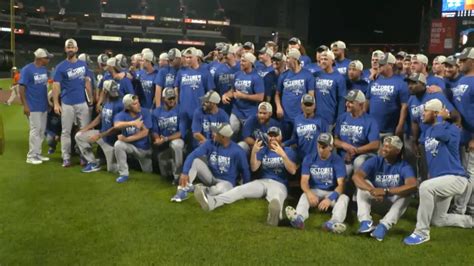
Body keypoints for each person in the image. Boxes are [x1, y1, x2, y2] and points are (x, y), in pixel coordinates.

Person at [194, 126, 298, 226]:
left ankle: (274, 218)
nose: (273, 138)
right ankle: (213, 202)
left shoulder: (288, 151)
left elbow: (293, 171)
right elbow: (254, 168)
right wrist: (254, 152)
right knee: (240, 190)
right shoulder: (264, 150)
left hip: (279, 184)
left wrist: (283, 155)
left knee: (276, 199)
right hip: (262, 181)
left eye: (275, 136)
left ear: (281, 137)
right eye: (270, 135)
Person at [404, 99, 473, 245]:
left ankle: (421, 232)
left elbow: (440, 135)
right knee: (438, 219)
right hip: (441, 179)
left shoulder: (451, 128)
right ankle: (470, 221)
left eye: (426, 111)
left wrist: (441, 118)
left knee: (425, 187)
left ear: (435, 113)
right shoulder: (428, 130)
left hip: (456, 178)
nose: (423, 113)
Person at [352, 136, 417, 241]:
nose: (384, 149)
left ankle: (383, 226)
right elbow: (356, 176)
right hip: (376, 199)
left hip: (391, 204)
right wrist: (372, 190)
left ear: (397, 151)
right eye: (384, 146)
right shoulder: (375, 160)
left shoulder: (404, 166)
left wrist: (386, 192)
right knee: (364, 184)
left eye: (388, 147)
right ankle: (365, 222)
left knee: (407, 194)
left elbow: (412, 185)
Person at [285, 133, 349, 233]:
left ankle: (333, 223)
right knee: (304, 195)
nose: (320, 149)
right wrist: (309, 193)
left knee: (344, 198)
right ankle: (299, 219)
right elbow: (304, 181)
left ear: (331, 147)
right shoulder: (309, 158)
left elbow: (341, 185)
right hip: (315, 191)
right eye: (319, 146)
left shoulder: (337, 160)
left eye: (323, 147)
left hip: (331, 192)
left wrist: (330, 199)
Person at [172, 123, 250, 202]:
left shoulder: (238, 151)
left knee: (219, 190)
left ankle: (197, 189)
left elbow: (245, 170)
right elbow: (193, 155)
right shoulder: (210, 143)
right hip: (211, 177)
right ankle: (182, 191)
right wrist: (185, 172)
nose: (213, 134)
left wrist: (245, 189)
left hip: (226, 182)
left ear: (223, 137)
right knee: (195, 161)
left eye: (216, 133)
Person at [52, 39, 92, 167]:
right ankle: (66, 157)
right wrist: (56, 104)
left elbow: (87, 82)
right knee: (66, 131)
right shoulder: (60, 67)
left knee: (84, 131)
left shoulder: (83, 65)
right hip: (67, 103)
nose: (70, 49)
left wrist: (90, 99)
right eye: (68, 47)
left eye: (72, 47)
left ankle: (83, 156)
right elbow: (56, 86)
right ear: (65, 50)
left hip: (82, 103)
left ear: (76, 49)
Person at [75, 80, 123, 173]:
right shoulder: (106, 102)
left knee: (112, 170)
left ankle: (118, 161)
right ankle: (92, 162)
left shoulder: (120, 105)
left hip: (111, 141)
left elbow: (117, 129)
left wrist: (100, 136)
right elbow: (100, 117)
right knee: (79, 136)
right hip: (102, 135)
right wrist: (86, 128)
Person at [450, 47, 474, 215]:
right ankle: (470, 207)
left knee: (469, 173)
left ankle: (460, 209)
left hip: (471, 136)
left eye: (463, 60)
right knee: (465, 172)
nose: (460, 63)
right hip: (462, 135)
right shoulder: (461, 80)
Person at [18, 48, 53, 164]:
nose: (48, 60)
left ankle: (37, 154)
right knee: (35, 130)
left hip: (43, 105)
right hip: (32, 106)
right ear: (40, 58)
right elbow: (21, 88)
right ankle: (31, 156)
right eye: (46, 58)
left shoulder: (43, 69)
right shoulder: (27, 70)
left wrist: (47, 103)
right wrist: (25, 105)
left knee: (42, 131)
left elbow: (44, 88)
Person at [335, 89, 380, 178]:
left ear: (361, 104)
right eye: (347, 101)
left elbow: (375, 144)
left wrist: (355, 151)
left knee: (358, 162)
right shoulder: (342, 118)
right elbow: (335, 140)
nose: (347, 104)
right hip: (344, 157)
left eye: (351, 102)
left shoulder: (370, 121)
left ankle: (360, 190)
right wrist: (344, 145)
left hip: (362, 155)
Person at [174, 47, 215, 137]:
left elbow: (210, 92)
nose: (188, 59)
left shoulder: (205, 73)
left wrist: (207, 108)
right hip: (183, 110)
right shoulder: (181, 72)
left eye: (190, 57)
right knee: (182, 136)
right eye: (186, 57)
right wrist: (177, 105)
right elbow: (176, 89)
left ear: (196, 57)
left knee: (197, 137)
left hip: (199, 110)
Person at [366, 53, 409, 138]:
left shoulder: (401, 82)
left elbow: (405, 106)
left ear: (391, 65)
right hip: (372, 128)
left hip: (390, 129)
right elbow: (367, 100)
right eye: (379, 64)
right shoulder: (374, 80)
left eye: (382, 64)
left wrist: (400, 125)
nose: (379, 66)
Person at [274, 48, 315, 137]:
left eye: (289, 58)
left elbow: (311, 96)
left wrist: (307, 112)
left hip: (300, 116)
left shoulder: (308, 75)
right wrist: (278, 107)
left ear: (296, 59)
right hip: (285, 116)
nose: (286, 61)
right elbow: (277, 94)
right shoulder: (284, 75)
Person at [113, 94, 153, 183]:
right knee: (118, 144)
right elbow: (116, 125)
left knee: (148, 172)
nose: (138, 105)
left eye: (138, 102)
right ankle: (123, 174)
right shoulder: (122, 115)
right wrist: (132, 123)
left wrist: (126, 140)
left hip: (144, 150)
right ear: (128, 107)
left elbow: (145, 133)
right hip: (131, 147)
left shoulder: (145, 112)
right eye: (134, 104)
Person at [223, 52, 264, 135]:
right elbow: (232, 90)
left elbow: (260, 97)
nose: (241, 63)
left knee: (247, 135)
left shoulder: (257, 77)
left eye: (244, 61)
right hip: (236, 110)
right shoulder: (237, 75)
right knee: (231, 131)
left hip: (250, 112)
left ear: (251, 63)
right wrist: (225, 95)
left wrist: (243, 96)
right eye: (241, 61)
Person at [152, 88, 184, 182]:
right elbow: (155, 130)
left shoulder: (180, 110)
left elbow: (181, 133)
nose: (172, 100)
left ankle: (178, 177)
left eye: (173, 98)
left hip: (176, 140)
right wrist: (157, 139)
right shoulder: (156, 112)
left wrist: (166, 138)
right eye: (169, 98)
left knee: (176, 144)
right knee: (165, 175)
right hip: (163, 144)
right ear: (163, 99)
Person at [314, 50, 347, 127]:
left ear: (332, 61)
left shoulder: (339, 78)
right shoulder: (315, 75)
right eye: (321, 59)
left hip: (330, 118)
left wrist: (339, 119)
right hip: (315, 117)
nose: (322, 61)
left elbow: (342, 100)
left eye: (325, 59)